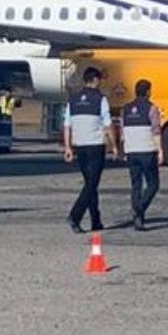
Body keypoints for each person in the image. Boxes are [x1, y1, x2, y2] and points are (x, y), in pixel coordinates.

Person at [64, 67, 117, 233]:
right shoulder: (100, 99)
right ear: (95, 80)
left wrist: (68, 147)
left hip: (80, 146)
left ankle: (96, 220)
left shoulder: (72, 100)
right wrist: (115, 145)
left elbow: (67, 125)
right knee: (92, 184)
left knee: (90, 184)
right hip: (95, 146)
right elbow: (108, 125)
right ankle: (75, 215)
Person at [114, 78, 164, 231]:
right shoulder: (152, 108)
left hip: (131, 151)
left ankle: (139, 220)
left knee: (136, 185)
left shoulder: (125, 109)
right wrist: (160, 150)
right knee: (153, 184)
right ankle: (139, 209)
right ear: (148, 92)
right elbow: (155, 131)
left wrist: (122, 150)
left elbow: (122, 133)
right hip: (147, 150)